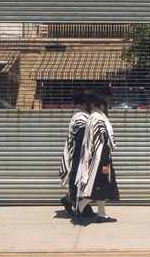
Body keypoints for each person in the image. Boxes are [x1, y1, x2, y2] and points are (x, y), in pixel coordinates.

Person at [75, 87, 119, 223]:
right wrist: (105, 163)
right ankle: (79, 207)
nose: (109, 106)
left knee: (102, 188)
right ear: (103, 103)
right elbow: (103, 142)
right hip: (99, 159)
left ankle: (101, 214)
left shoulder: (93, 117)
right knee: (97, 187)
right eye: (107, 103)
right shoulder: (99, 119)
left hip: (95, 159)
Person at [59, 89, 94, 218]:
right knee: (78, 180)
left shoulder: (79, 116)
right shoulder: (81, 118)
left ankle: (75, 202)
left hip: (77, 157)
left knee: (78, 181)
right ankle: (70, 200)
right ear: (84, 105)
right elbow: (79, 142)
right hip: (78, 157)